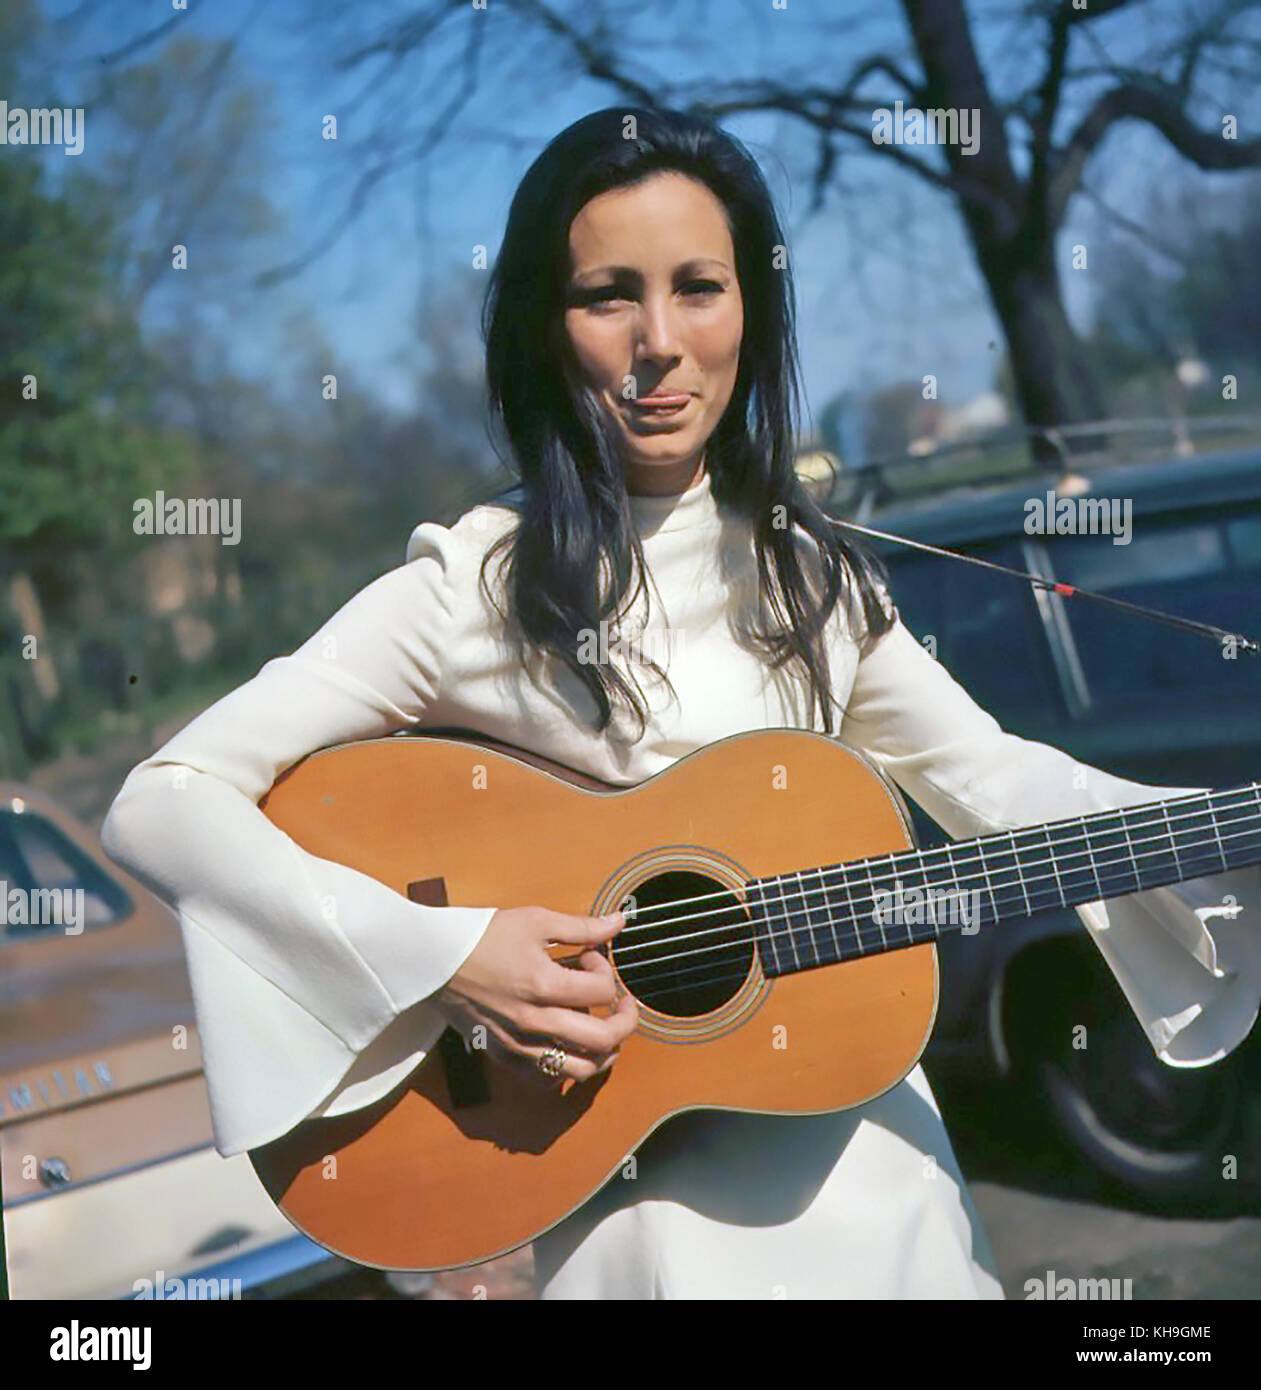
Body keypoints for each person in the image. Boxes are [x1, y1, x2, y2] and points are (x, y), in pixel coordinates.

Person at [101, 106, 1261, 1300]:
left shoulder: (810, 572)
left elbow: (998, 781)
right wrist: (449, 957)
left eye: (699, 286)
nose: (659, 342)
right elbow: (163, 803)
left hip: (881, 1196)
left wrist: (1227, 835)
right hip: (638, 1230)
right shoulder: (468, 586)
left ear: (751, 310)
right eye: (608, 294)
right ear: (544, 330)